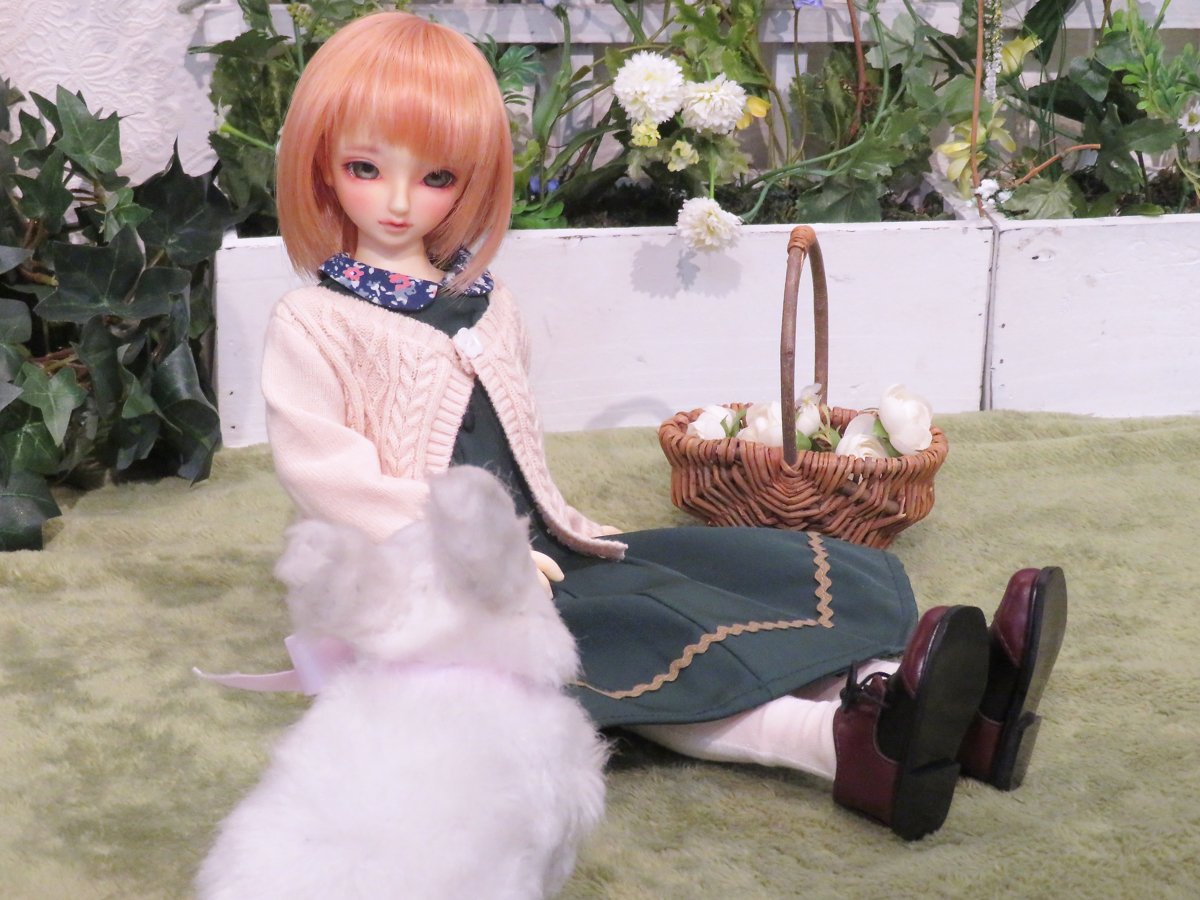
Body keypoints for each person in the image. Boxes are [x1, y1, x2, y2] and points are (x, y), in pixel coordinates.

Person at [258, 11, 1068, 841]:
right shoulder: (315, 323)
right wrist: (469, 550)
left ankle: (956, 706)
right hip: (431, 585)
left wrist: (541, 535)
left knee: (712, 586)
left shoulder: (488, 302)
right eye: (365, 168)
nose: (398, 201)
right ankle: (840, 746)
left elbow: (511, 444)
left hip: (548, 549)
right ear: (320, 163)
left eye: (435, 177)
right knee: (627, 657)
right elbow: (331, 477)